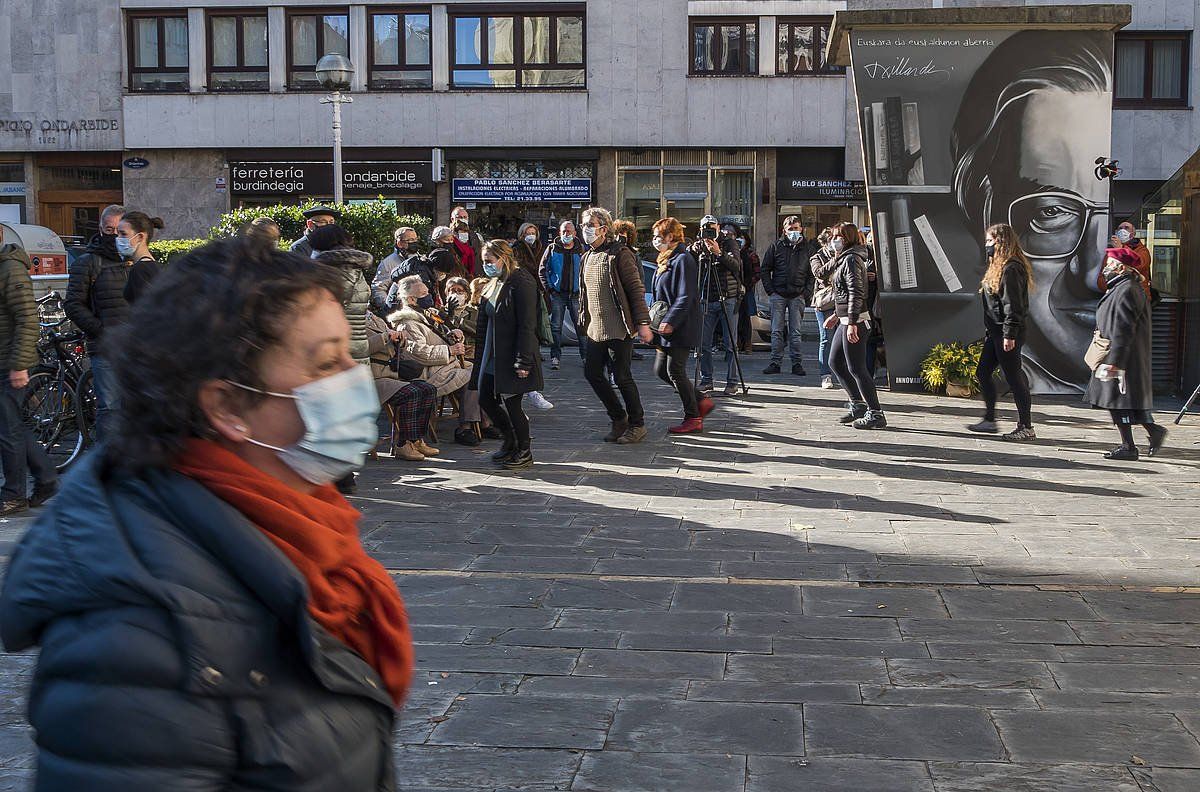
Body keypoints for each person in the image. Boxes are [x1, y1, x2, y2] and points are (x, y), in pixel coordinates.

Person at [0, 237, 412, 789]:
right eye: (325, 362)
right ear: (226, 407)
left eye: (348, 355)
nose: (353, 377)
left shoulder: (301, 522)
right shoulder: (134, 643)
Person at [952, 30, 1112, 391]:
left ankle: (1019, 422)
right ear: (986, 204)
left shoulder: (1009, 269)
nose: (1093, 274)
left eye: (1112, 214)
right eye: (1052, 211)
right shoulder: (1007, 267)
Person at [579, 207, 654, 444]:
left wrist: (643, 323)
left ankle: (637, 424)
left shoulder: (619, 253)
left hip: (619, 327)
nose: (586, 229)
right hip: (595, 329)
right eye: (584, 225)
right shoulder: (587, 256)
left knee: (621, 377)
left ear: (604, 228)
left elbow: (635, 288)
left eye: (591, 225)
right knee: (592, 373)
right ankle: (618, 417)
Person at [1087, 247, 1167, 460]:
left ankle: (1129, 446)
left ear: (1121, 268)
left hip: (1121, 355)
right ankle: (1151, 432)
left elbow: (1124, 327)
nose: (1105, 269)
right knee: (1122, 400)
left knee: (1118, 400)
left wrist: (1116, 361)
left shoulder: (1127, 290)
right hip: (1120, 354)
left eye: (1109, 265)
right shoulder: (1122, 287)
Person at [471, 241, 544, 471]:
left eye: (489, 261)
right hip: (493, 354)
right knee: (485, 398)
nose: (486, 266)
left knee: (513, 403)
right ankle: (510, 440)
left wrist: (524, 360)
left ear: (503, 258)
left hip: (512, 353)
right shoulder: (494, 282)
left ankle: (524, 450)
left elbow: (527, 325)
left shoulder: (521, 281)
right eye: (484, 262)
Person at [0, 227, 58, 517]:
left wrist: (20, 364)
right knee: (11, 426)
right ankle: (46, 479)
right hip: (5, 360)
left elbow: (26, 317)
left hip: (10, 362)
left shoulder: (10, 269)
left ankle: (14, 495)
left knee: (8, 429)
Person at [389, 276, 485, 447]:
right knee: (473, 377)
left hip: (444, 365)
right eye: (424, 293)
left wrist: (453, 335)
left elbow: (437, 335)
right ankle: (467, 426)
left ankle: (483, 421)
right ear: (411, 299)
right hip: (429, 373)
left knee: (483, 371)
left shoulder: (426, 314)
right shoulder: (408, 324)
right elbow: (419, 353)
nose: (429, 296)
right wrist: (449, 350)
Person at [63, 203, 127, 439]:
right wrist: (101, 331)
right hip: (105, 347)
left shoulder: (136, 260)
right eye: (109, 230)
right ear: (100, 229)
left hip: (133, 347)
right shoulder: (88, 262)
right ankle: (105, 465)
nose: (114, 236)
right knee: (109, 409)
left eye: (119, 231)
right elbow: (72, 304)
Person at [968, 224, 1037, 440]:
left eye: (990, 241)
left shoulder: (1011, 268)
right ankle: (989, 419)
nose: (987, 245)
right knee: (983, 371)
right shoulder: (999, 267)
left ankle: (1026, 426)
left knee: (1014, 377)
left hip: (1006, 331)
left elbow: (1013, 305)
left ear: (1001, 242)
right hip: (996, 331)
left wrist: (1009, 334)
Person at [818, 222, 887, 429]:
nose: (834, 240)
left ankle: (875, 412)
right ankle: (857, 404)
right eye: (832, 236)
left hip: (856, 320)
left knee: (857, 368)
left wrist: (851, 322)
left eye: (838, 236)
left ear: (847, 238)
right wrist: (838, 317)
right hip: (846, 319)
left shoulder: (851, 259)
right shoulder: (843, 258)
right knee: (835, 362)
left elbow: (856, 293)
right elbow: (841, 292)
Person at [651, 218, 713, 434]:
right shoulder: (666, 259)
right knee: (661, 370)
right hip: (664, 325)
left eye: (659, 236)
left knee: (675, 370)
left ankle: (693, 416)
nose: (655, 240)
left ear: (670, 236)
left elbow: (686, 295)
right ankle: (700, 401)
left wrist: (671, 320)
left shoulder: (683, 259)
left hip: (680, 325)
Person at [366, 312, 439, 462]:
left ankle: (416, 440)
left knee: (428, 389)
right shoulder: (350, 320)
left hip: (391, 374)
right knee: (411, 393)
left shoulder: (374, 317)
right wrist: (385, 337)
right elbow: (359, 348)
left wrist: (400, 339)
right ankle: (403, 444)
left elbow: (393, 345)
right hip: (372, 378)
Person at [690, 215, 743, 396]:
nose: (709, 231)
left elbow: (736, 266)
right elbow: (690, 266)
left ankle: (732, 382)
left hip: (728, 298)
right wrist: (693, 250)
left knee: (730, 344)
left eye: (712, 227)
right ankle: (707, 380)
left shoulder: (729, 243)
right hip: (706, 298)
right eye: (705, 228)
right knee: (703, 343)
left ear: (718, 227)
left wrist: (719, 253)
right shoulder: (699, 245)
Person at [760, 216, 815, 377]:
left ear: (801, 229)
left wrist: (806, 292)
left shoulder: (808, 248)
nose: (794, 232)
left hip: (797, 295)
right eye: (790, 229)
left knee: (795, 332)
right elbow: (765, 269)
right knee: (776, 330)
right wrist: (770, 290)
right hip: (778, 294)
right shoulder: (776, 246)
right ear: (784, 230)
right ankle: (775, 362)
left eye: (796, 228)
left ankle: (796, 363)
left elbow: (813, 273)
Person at [539, 220, 588, 370]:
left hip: (576, 295)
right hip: (558, 294)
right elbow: (543, 270)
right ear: (559, 233)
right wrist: (550, 289)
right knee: (555, 327)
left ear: (575, 233)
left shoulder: (582, 249)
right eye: (564, 231)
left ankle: (586, 357)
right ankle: (555, 357)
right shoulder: (552, 248)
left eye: (569, 231)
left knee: (581, 327)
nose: (567, 234)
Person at [372, 226, 433, 314]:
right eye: (411, 240)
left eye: (416, 239)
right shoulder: (387, 263)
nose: (415, 242)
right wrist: (390, 307)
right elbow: (378, 289)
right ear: (399, 243)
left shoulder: (420, 259)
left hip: (421, 310)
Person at [810, 228, 838, 389]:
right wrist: (835, 259)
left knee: (842, 339)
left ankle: (843, 371)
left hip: (841, 300)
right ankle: (825, 374)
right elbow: (819, 273)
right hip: (825, 302)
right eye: (832, 240)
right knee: (826, 337)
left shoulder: (845, 254)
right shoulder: (817, 257)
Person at [119, 211, 166, 304]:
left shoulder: (140, 269)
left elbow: (145, 309)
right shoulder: (153, 265)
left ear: (140, 237)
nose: (118, 238)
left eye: (123, 234)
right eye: (118, 234)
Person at [1102, 221, 1153, 299]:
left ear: (1132, 234)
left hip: (1138, 298)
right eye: (1120, 228)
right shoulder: (1111, 252)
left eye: (1126, 228)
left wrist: (1121, 249)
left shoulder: (1142, 250)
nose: (1122, 230)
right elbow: (1102, 276)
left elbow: (1140, 265)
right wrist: (1110, 288)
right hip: (1116, 297)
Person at [733, 227, 760, 354]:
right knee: (734, 317)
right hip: (733, 289)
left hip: (746, 290)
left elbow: (757, 273)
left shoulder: (750, 254)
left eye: (742, 238)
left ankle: (747, 344)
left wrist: (748, 285)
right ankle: (736, 343)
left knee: (746, 318)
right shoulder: (731, 252)